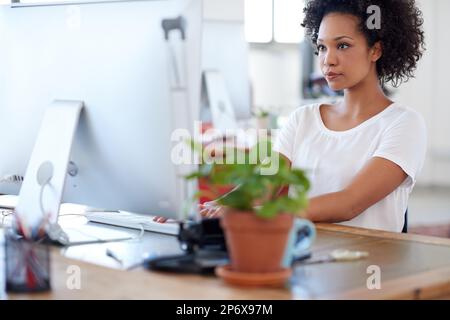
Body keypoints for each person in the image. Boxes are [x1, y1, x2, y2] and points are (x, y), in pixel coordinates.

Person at [159, 0, 427, 233]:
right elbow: (266, 184)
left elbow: (349, 203)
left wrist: (258, 213)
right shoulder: (303, 119)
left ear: (375, 50)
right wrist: (212, 210)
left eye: (342, 46)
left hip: (371, 269)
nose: (328, 60)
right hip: (305, 260)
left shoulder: (403, 123)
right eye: (321, 47)